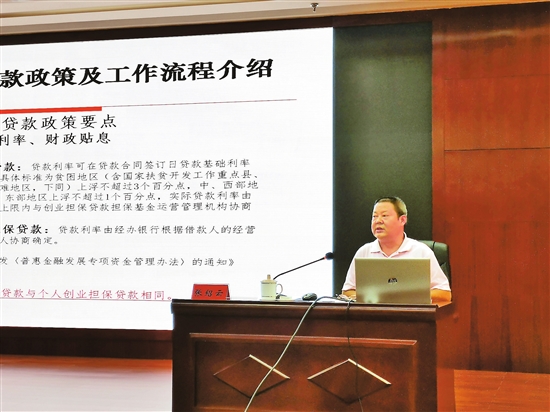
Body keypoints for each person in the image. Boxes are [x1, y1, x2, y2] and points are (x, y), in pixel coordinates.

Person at [342, 196, 452, 304]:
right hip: (373, 314)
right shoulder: (364, 252)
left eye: (384, 216)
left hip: (410, 314)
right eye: (374, 216)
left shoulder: (422, 252)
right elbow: (347, 291)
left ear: (402, 220)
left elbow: (444, 294)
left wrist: (406, 296)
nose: (378, 221)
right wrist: (373, 297)